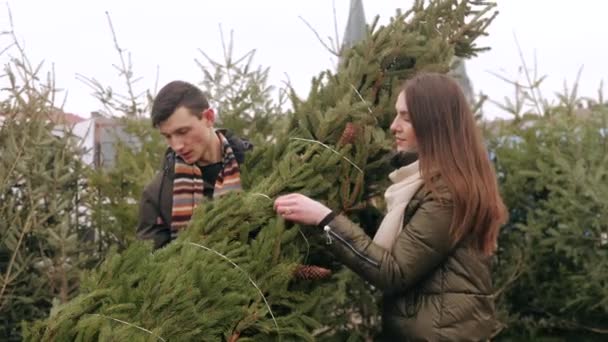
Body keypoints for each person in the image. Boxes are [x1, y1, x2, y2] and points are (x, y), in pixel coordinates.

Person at [274, 72, 508, 341]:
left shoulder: (449, 192)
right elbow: (415, 243)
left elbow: (394, 272)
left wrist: (325, 220)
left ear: (435, 124)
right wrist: (363, 213)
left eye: (406, 118)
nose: (394, 126)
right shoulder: (426, 182)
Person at [137, 80, 252, 249]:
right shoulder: (156, 194)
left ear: (209, 118)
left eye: (183, 132)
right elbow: (150, 265)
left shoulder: (260, 166)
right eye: (167, 136)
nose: (176, 146)